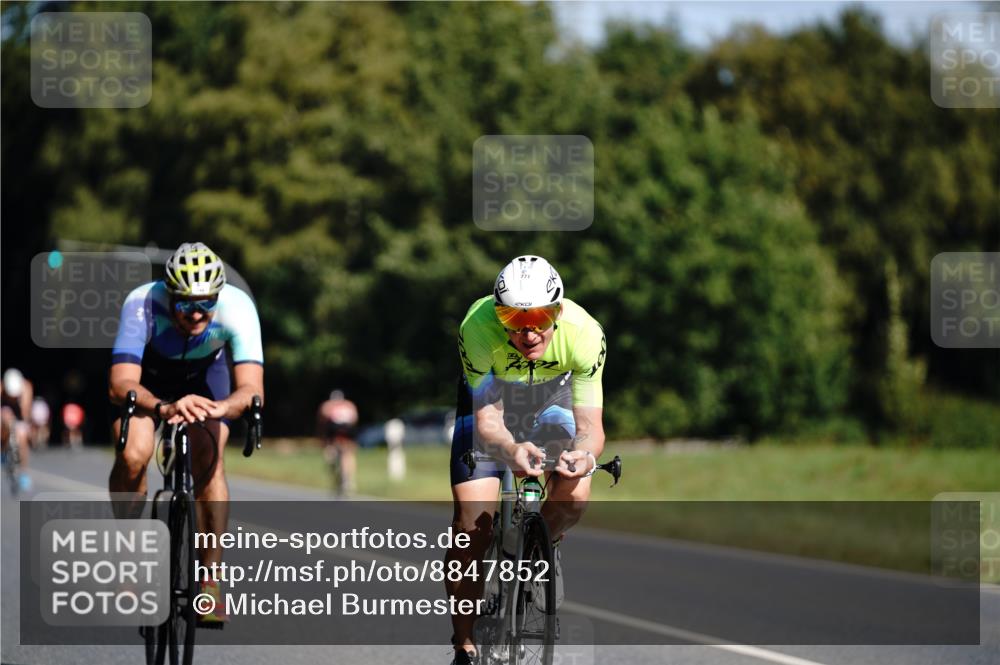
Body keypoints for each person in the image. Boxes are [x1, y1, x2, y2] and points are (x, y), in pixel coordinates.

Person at [445, 255, 607, 664]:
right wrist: (512, 449)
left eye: (539, 316)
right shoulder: (477, 328)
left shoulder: (585, 334)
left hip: (554, 398)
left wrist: (583, 455)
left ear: (558, 309)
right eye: (514, 319)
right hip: (493, 401)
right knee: (470, 526)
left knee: (575, 491)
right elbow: (487, 421)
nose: (529, 331)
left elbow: (590, 427)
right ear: (499, 315)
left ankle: (541, 546)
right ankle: (464, 643)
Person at [108, 242, 264, 625]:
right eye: (185, 305)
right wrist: (163, 408)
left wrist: (220, 408)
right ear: (169, 294)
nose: (196, 314)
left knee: (209, 459)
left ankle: (210, 581)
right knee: (132, 453)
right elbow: (120, 382)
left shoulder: (238, 306)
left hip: (206, 383)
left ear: (218, 296)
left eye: (205, 304)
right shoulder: (142, 303)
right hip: (151, 384)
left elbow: (252, 389)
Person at [317, 390, 359, 496]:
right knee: (348, 453)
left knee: (330, 449)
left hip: (334, 429)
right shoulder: (349, 404)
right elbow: (355, 419)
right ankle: (349, 479)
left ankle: (331, 459)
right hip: (348, 429)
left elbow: (322, 420)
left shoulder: (327, 405)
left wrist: (324, 438)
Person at [2, 368, 34, 490]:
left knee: (22, 437)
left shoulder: (26, 388)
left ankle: (24, 472)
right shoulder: (2, 388)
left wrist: (20, 404)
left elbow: (26, 415)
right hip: (4, 417)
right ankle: (3, 449)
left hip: (19, 417)